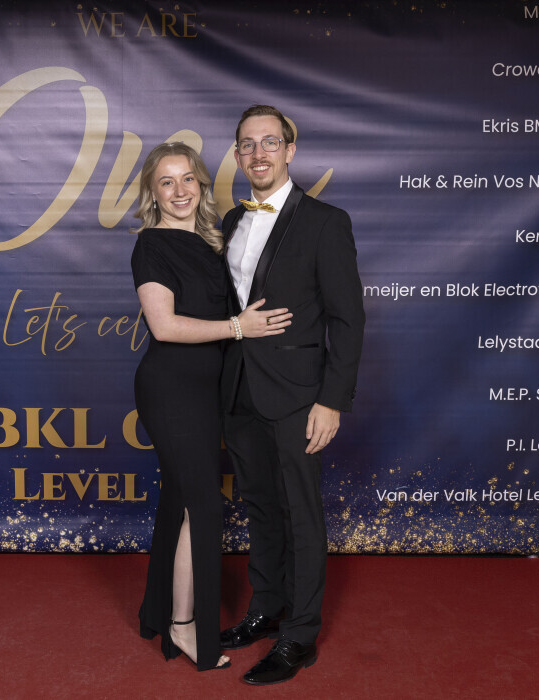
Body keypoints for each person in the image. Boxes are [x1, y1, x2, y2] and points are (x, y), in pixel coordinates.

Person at [131, 142, 292, 671]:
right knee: (201, 506)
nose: (179, 190)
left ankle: (158, 614)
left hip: (207, 391)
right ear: (153, 193)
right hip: (171, 389)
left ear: (201, 185)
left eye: (188, 179)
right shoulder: (151, 246)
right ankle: (184, 627)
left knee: (180, 503)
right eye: (166, 182)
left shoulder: (210, 242)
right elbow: (164, 326)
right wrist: (238, 328)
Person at [219, 105, 365, 685]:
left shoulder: (326, 222)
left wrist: (332, 401)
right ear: (237, 155)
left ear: (290, 151)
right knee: (259, 505)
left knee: (300, 514)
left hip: (300, 395)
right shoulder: (231, 219)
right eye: (248, 144)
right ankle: (267, 608)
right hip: (239, 390)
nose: (259, 154)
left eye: (270, 143)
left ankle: (300, 636)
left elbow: (347, 320)